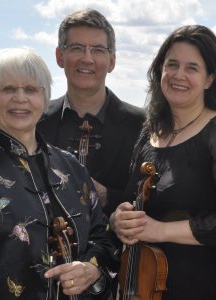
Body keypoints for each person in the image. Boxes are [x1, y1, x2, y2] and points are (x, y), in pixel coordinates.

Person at [0, 47, 118, 299]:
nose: (20, 98)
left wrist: (91, 269)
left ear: (44, 97)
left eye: (31, 89)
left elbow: (103, 237)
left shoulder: (71, 167)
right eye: (8, 89)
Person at [110, 25, 216, 299]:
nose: (179, 75)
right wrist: (119, 218)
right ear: (160, 71)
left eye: (192, 68)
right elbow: (131, 198)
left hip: (199, 283)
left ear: (210, 79)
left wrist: (159, 231)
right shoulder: (149, 132)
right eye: (172, 65)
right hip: (143, 281)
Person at [37, 8, 145, 217]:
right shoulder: (37, 121)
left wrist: (107, 196)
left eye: (97, 50)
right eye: (77, 48)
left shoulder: (141, 124)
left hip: (116, 247)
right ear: (60, 56)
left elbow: (156, 200)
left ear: (112, 61)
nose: (87, 59)